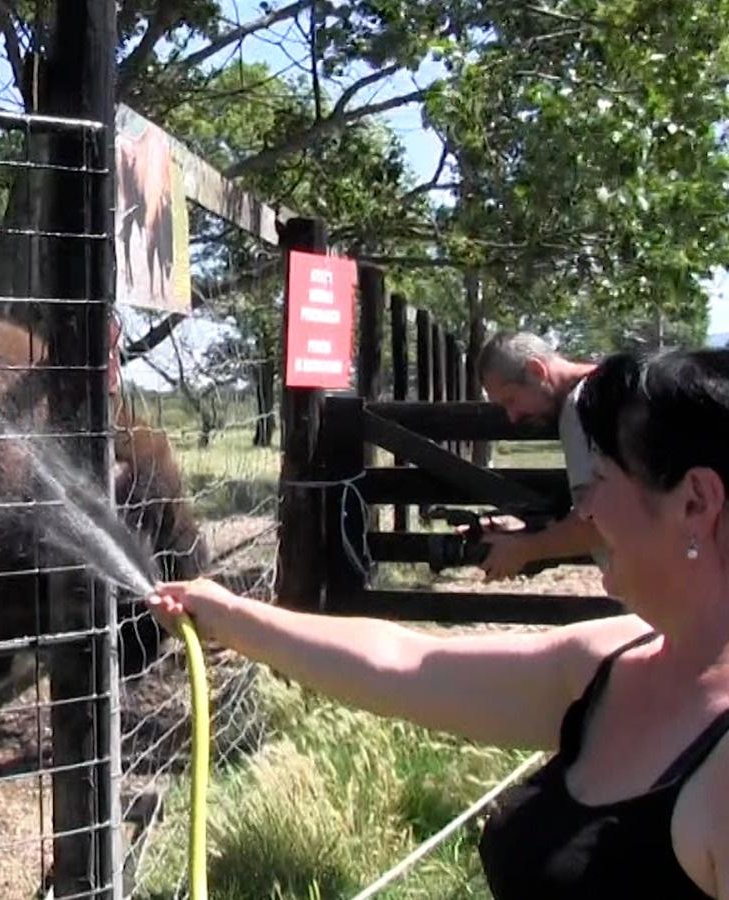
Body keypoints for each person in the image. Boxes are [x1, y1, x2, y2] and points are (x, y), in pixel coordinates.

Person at [149, 346, 729, 898]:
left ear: (696, 502)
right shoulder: (619, 658)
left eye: (602, 481)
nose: (587, 511)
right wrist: (229, 616)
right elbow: (407, 663)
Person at [473, 331, 605, 580]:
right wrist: (529, 530)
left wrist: (525, 549)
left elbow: (605, 520)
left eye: (511, 399)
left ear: (536, 371)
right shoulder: (607, 392)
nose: (512, 417)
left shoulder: (583, 405)